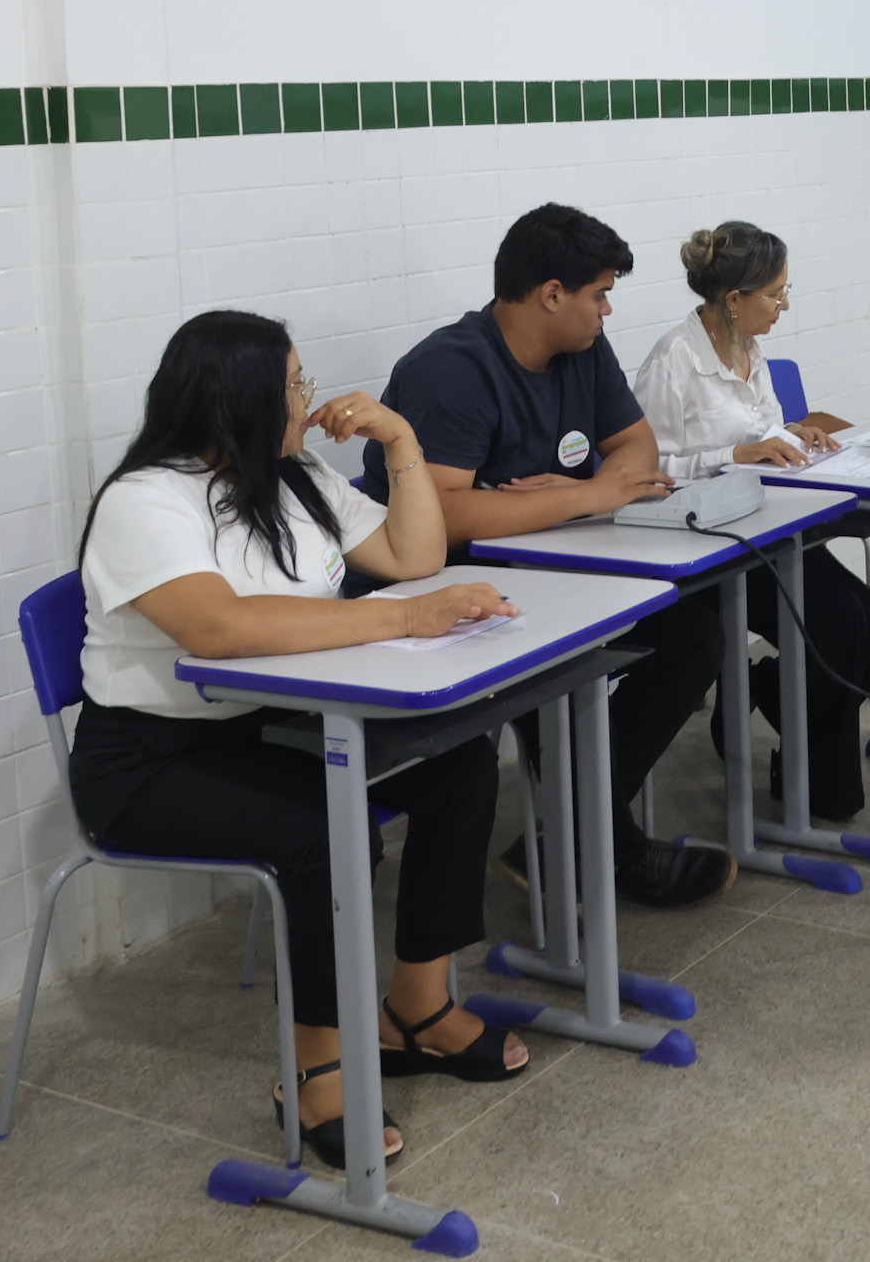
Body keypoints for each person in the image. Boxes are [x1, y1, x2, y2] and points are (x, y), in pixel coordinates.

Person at [69, 310, 529, 1173]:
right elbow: (221, 628)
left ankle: (418, 1009)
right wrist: (394, 619)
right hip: (148, 762)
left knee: (457, 758)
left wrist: (399, 438)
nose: (306, 401)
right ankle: (317, 1068)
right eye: (291, 386)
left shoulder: (293, 475)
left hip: (264, 725)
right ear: (233, 398)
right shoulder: (144, 501)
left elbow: (415, 554)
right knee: (321, 831)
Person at [363, 204, 737, 910]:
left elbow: (638, 453)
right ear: (552, 295)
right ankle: (597, 848)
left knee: (693, 634)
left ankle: (562, 836)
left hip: (559, 561)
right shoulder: (450, 370)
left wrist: (573, 493)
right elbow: (441, 519)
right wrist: (581, 496)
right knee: (560, 668)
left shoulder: (582, 350)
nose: (607, 311)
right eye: (599, 294)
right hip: (458, 585)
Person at [629, 220, 870, 824]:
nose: (784, 305)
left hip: (769, 526)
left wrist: (790, 434)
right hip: (710, 547)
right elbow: (643, 472)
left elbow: (761, 433)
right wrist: (734, 456)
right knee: (840, 633)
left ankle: (765, 689)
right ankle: (817, 794)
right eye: (775, 294)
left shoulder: (751, 350)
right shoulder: (673, 360)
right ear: (733, 300)